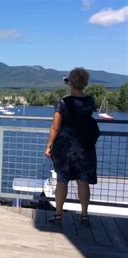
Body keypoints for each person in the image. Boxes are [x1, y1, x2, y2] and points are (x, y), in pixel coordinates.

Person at [45, 67, 97, 225]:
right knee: (83, 180)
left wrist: (48, 146)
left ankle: (58, 215)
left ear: (70, 82)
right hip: (85, 147)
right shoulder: (90, 101)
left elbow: (55, 127)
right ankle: (84, 215)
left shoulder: (63, 103)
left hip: (65, 148)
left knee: (62, 180)